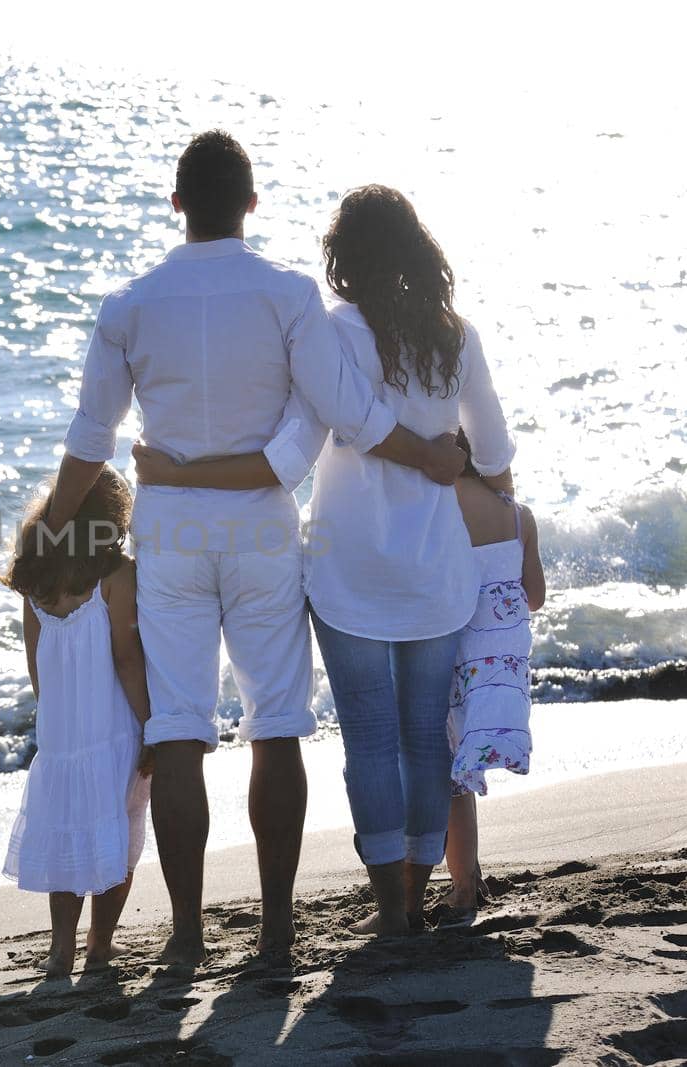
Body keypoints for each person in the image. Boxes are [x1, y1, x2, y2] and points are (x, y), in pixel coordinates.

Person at [44, 133, 465, 965]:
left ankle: (192, 935)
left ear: (176, 204)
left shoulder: (129, 303)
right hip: (263, 526)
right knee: (275, 725)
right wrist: (425, 456)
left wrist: (55, 534)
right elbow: (340, 411)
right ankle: (275, 930)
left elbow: (90, 438)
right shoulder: (288, 294)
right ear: (251, 203)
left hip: (170, 529)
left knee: (177, 731)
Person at [131, 184, 515, 936]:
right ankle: (416, 884)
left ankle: (389, 906)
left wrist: (185, 474)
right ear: (417, 247)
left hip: (348, 574)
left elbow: (300, 441)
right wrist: (493, 508)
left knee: (370, 738)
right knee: (422, 735)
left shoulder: (332, 332)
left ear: (344, 255)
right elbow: (494, 453)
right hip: (436, 572)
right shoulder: (455, 336)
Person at [0, 465, 153, 977]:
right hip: (114, 727)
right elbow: (127, 658)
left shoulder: (37, 578)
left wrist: (55, 720)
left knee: (69, 831)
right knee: (119, 830)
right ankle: (101, 945)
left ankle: (60, 948)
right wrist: (149, 721)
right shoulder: (117, 577)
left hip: (63, 735)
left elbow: (35, 661)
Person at [440, 433, 545, 927]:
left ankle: (462, 886)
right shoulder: (519, 514)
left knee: (450, 773)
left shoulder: (437, 507)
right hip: (501, 667)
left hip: (454, 653)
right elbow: (536, 596)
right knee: (466, 766)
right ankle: (472, 873)